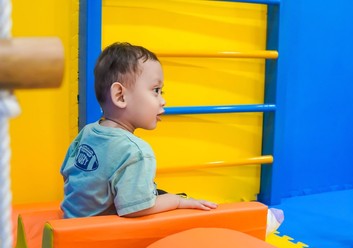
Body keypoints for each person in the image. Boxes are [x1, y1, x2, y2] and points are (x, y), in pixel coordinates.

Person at [60, 42, 283, 235]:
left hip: (74, 225)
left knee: (165, 195)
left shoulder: (89, 131)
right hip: (106, 238)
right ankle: (252, 225)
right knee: (185, 211)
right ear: (120, 96)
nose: (163, 100)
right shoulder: (136, 151)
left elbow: (68, 173)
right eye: (156, 90)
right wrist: (178, 202)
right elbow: (135, 209)